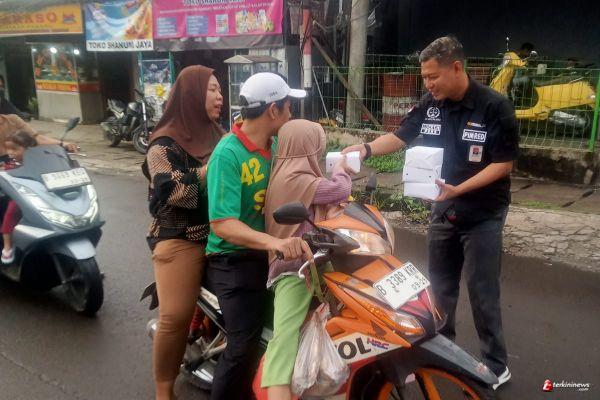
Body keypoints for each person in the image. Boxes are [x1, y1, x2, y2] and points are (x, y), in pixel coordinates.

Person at [343, 36, 519, 390]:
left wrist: (459, 189)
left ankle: (496, 365)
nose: (428, 84)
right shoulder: (431, 104)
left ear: (456, 67)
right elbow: (401, 136)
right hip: (444, 209)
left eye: (433, 76)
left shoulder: (494, 107)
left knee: (482, 291)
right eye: (424, 77)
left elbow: (503, 164)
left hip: (483, 213)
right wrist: (365, 149)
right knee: (439, 289)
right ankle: (443, 352)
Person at [205, 72, 311, 399]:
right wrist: (275, 243)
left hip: (269, 254)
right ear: (273, 110)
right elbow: (222, 224)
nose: (291, 113)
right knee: (245, 342)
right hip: (231, 258)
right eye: (288, 106)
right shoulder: (228, 154)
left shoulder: (278, 146)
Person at [143, 65, 224, 400]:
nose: (220, 96)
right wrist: (214, 167)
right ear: (191, 95)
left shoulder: (220, 136)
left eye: (220, 90)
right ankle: (164, 389)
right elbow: (174, 192)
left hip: (225, 231)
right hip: (181, 238)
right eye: (212, 89)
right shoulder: (163, 145)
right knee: (175, 316)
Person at [261, 119, 354, 400]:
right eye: (317, 146)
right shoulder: (297, 179)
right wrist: (341, 170)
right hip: (293, 269)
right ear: (307, 148)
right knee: (285, 340)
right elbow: (339, 189)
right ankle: (276, 388)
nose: (319, 151)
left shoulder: (288, 174)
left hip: (313, 261)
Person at [1, 130, 37, 264]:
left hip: (39, 195)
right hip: (19, 197)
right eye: (8, 149)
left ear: (28, 148)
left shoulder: (38, 161)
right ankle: (8, 247)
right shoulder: (10, 164)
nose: (10, 152)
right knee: (11, 212)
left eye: (14, 149)